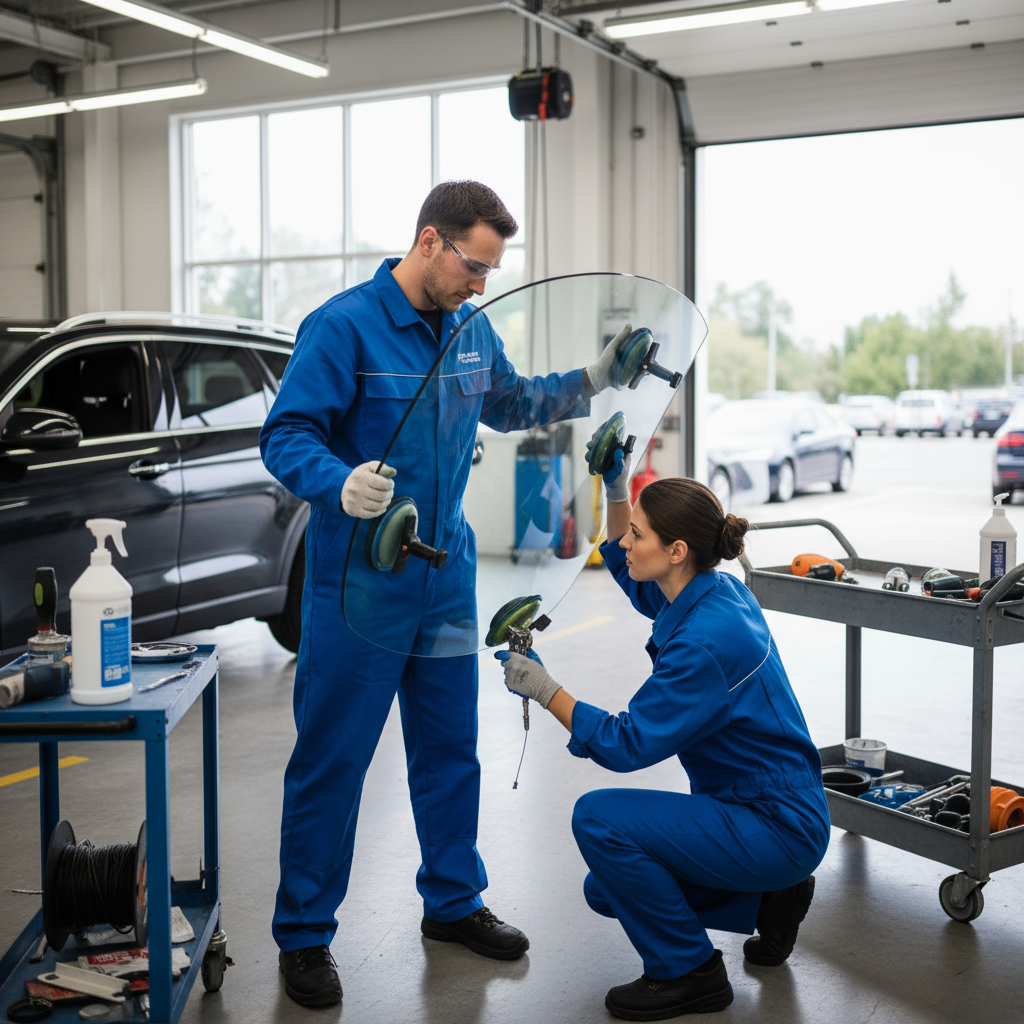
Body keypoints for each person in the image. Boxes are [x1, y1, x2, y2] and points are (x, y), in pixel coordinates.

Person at [259, 180, 630, 1007]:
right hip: (360, 577)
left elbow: (513, 401)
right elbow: (286, 435)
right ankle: (305, 935)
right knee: (333, 760)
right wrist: (336, 482)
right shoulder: (343, 325)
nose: (481, 283)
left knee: (451, 751)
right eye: (474, 264)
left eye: (492, 270)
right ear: (430, 241)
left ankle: (453, 903)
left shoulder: (469, 327)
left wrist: (594, 379)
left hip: (445, 577)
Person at [496, 452, 830, 1021]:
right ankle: (772, 898)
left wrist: (546, 688)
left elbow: (628, 744)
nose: (623, 544)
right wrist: (618, 486)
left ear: (676, 551)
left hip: (776, 822)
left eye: (636, 535)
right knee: (607, 890)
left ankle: (690, 972)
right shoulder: (713, 588)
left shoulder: (704, 644)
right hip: (766, 806)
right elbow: (637, 582)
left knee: (598, 820)